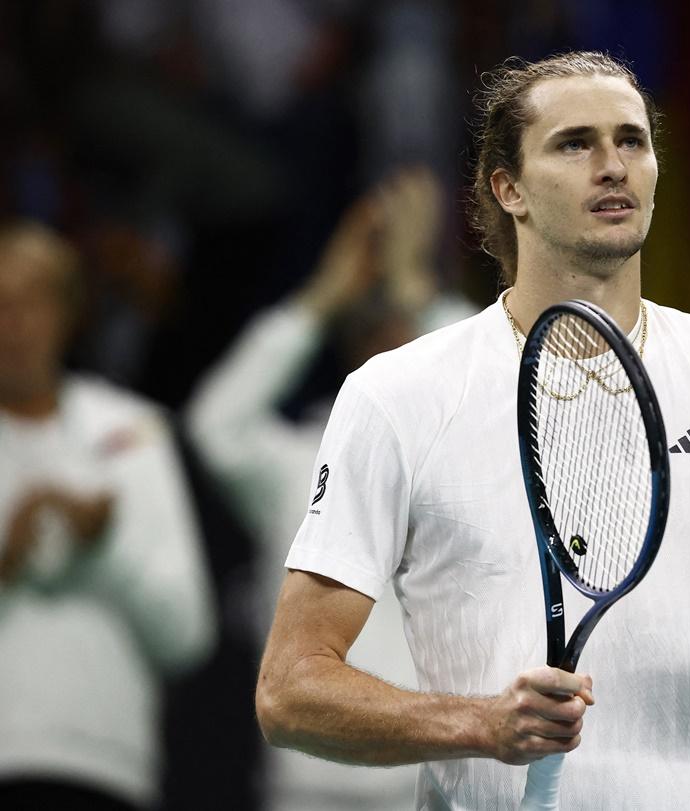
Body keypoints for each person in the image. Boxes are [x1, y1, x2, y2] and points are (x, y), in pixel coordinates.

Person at [254, 52, 690, 809]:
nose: (613, 166)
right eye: (575, 143)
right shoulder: (397, 393)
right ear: (507, 188)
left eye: (632, 141)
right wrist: (478, 724)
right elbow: (290, 690)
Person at [186, 168, 472, 811]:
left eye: (407, 330)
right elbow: (214, 424)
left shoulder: (466, 454)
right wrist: (321, 295)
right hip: (309, 776)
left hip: (437, 769)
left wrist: (412, 284)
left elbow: (495, 392)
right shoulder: (297, 459)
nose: (393, 347)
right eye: (373, 331)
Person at [0, 221, 216, 810]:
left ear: (68, 314)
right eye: (1, 303)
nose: (14, 323)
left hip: (106, 767)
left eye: (33, 300)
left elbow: (187, 632)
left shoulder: (130, 431)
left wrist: (104, 547)